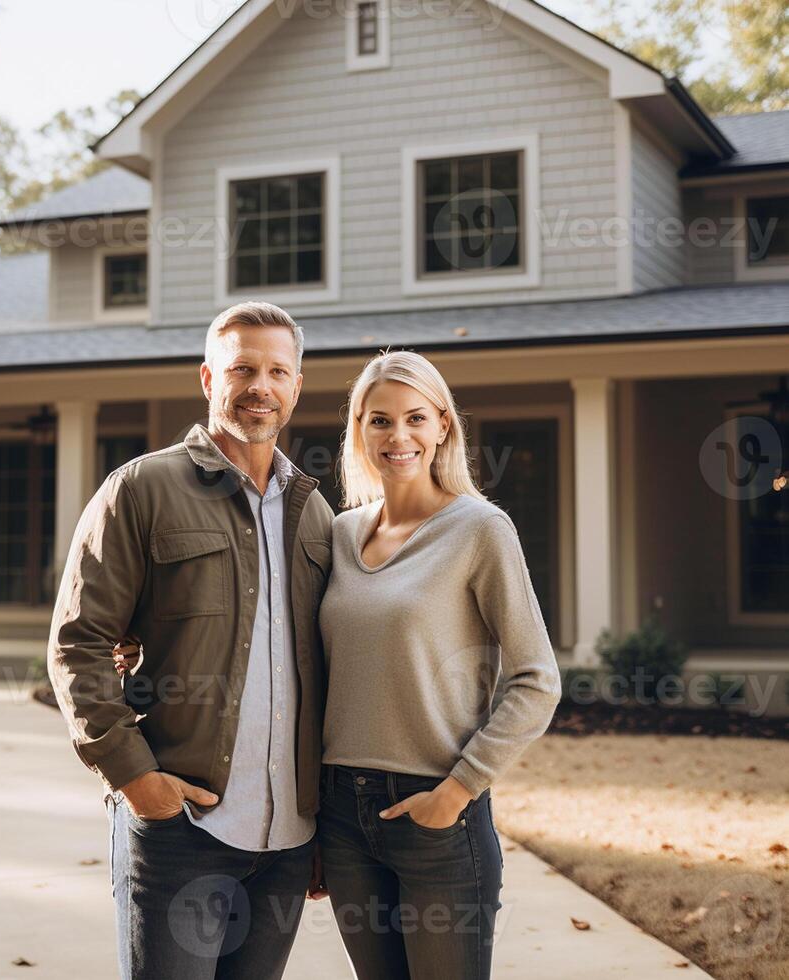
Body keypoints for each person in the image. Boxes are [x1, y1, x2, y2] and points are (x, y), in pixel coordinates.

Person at [47, 301, 334, 980]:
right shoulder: (141, 490)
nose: (260, 385)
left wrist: (327, 825)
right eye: (242, 368)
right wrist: (137, 779)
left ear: (296, 386)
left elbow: (332, 668)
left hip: (288, 845)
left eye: (276, 371)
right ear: (209, 378)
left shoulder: (317, 514)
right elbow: (78, 641)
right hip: (181, 835)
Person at [316, 349, 563, 979]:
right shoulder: (339, 536)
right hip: (342, 814)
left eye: (416, 418)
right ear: (358, 431)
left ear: (443, 427)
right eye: (379, 421)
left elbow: (536, 678)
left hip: (437, 817)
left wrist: (456, 791)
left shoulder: (480, 529)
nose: (398, 436)